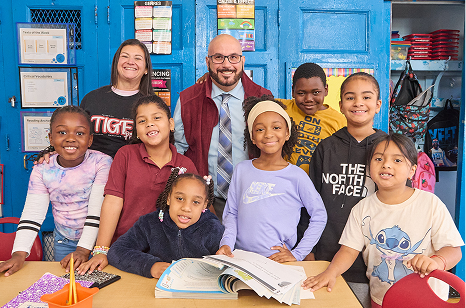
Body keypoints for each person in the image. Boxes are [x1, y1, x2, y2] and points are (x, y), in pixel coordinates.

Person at [303, 133, 464, 308]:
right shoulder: (362, 209)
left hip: (428, 299)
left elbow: (454, 251)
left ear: (412, 171)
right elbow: (348, 251)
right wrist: (331, 272)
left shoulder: (431, 203)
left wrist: (436, 262)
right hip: (382, 299)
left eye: (397, 160)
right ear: (369, 167)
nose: (386, 164)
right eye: (378, 159)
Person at [77, 95, 197, 274]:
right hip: (125, 251)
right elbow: (112, 203)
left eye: (157, 118)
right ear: (137, 131)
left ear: (171, 124)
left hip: (166, 254)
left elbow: (198, 211)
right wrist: (101, 250)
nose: (150, 124)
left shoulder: (186, 165)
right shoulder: (125, 155)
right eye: (142, 121)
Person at [0, 106, 113, 276]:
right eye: (62, 132)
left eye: (79, 133)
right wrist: (19, 253)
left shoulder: (102, 163)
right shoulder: (42, 169)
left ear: (90, 140)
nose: (70, 139)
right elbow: (33, 213)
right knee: (67, 287)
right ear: (51, 138)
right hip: (64, 240)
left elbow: (98, 210)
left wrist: (83, 250)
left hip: (99, 242)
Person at [306, 72, 387, 307]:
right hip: (326, 254)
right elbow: (311, 202)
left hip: (374, 260)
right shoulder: (326, 148)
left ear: (378, 105)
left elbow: (400, 201)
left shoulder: (388, 148)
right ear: (340, 105)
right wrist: (309, 247)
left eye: (366, 97)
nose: (359, 103)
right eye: (350, 98)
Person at [173, 34, 272, 221]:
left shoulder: (262, 98)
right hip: (203, 203)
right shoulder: (188, 100)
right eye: (218, 57)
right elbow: (179, 151)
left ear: (242, 61)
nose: (227, 65)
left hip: (252, 199)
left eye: (233, 57)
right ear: (208, 61)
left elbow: (273, 149)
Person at [217, 96, 327, 262]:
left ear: (287, 133)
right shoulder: (242, 170)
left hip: (277, 262)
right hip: (239, 258)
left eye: (276, 127)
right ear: (252, 137)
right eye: (260, 129)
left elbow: (319, 216)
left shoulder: (296, 176)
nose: (268, 134)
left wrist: (297, 254)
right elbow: (232, 213)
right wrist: (226, 243)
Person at [38, 39, 153, 161]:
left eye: (138, 58)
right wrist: (51, 151)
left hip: (131, 172)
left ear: (146, 69)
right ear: (116, 63)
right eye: (125, 56)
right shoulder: (92, 98)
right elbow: (72, 133)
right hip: (90, 172)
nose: (130, 62)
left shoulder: (151, 105)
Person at [107, 169, 224, 278]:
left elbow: (225, 262)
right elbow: (117, 251)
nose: (186, 208)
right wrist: (150, 266)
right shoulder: (149, 223)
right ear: (168, 198)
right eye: (180, 199)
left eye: (196, 202)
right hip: (155, 290)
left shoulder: (212, 227)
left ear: (204, 205)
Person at [277, 63, 346, 174]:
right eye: (301, 93)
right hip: (284, 182)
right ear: (293, 91)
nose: (308, 99)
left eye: (316, 92)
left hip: (318, 185)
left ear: (326, 90)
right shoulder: (281, 108)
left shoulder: (338, 121)